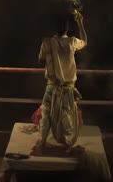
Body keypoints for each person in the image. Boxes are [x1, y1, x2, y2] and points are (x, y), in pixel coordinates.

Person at [38, 11, 87, 150]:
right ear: (67, 28)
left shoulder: (47, 43)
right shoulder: (72, 42)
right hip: (67, 88)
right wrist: (80, 22)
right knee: (67, 116)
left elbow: (42, 60)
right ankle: (66, 145)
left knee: (46, 114)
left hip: (51, 86)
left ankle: (42, 142)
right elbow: (85, 41)